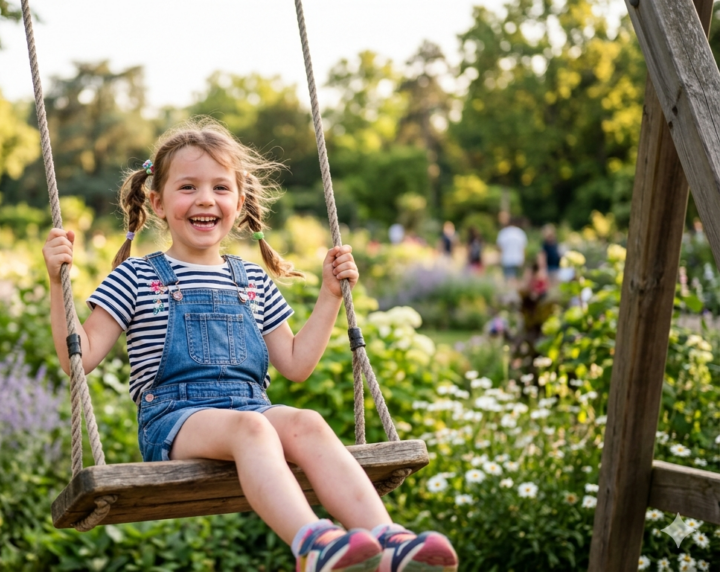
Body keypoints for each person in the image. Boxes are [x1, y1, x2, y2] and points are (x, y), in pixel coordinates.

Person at [42, 120, 458, 572]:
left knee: (306, 421)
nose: (205, 199)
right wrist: (56, 283)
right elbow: (78, 356)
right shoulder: (137, 276)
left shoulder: (252, 280)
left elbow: (295, 364)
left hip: (250, 407)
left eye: (220, 187)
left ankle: (388, 541)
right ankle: (314, 545)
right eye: (188, 187)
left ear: (239, 202)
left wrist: (330, 296)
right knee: (253, 428)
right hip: (175, 420)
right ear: (158, 202)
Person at [496, 216, 527, 286]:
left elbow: (500, 248)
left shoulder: (503, 233)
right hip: (518, 259)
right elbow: (523, 248)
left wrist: (499, 260)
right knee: (517, 280)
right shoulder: (520, 233)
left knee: (508, 280)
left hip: (506, 259)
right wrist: (523, 259)